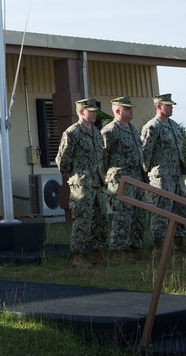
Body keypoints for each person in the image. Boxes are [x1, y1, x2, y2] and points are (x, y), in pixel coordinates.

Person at [55, 98, 107, 268]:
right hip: (82, 184)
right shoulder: (73, 133)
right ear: (80, 112)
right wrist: (73, 177)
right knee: (82, 220)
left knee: (100, 219)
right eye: (90, 111)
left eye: (94, 111)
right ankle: (77, 256)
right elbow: (63, 159)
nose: (93, 113)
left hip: (98, 183)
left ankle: (96, 253)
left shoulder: (97, 133)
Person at [142, 93, 186, 254]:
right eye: (168, 105)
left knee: (180, 209)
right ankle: (159, 245)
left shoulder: (175, 126)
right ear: (158, 106)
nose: (171, 108)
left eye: (172, 105)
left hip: (176, 175)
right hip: (161, 176)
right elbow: (145, 152)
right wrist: (148, 173)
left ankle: (179, 242)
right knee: (161, 210)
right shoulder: (152, 127)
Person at [101, 96, 147, 264]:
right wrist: (109, 177)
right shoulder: (110, 131)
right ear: (117, 110)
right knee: (122, 216)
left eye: (131, 108)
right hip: (120, 181)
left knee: (139, 215)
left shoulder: (134, 129)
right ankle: (117, 253)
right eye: (128, 108)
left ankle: (135, 250)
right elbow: (103, 157)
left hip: (137, 179)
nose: (131, 110)